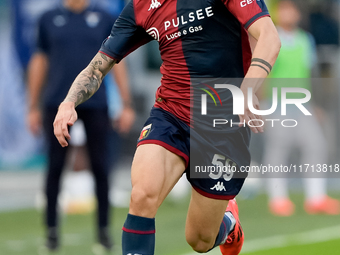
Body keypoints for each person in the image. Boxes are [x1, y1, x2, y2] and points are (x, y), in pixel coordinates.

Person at [53, 0, 281, 254]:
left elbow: (270, 38)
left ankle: (228, 222)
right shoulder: (141, 7)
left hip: (222, 124)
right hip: (170, 115)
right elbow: (99, 66)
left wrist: (247, 90)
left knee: (200, 240)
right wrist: (68, 102)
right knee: (142, 196)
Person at [27, 0, 135, 251]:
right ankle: (52, 232)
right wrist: (32, 105)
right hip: (56, 102)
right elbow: (39, 61)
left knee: (101, 167)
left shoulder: (104, 16)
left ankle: (103, 231)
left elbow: (116, 60)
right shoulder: (48, 18)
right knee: (55, 167)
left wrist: (126, 103)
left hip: (96, 103)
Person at [262, 0, 340, 217]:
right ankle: (278, 200)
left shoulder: (306, 39)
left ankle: (316, 198)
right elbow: (263, 74)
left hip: (302, 104)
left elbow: (309, 73)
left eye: (292, 9)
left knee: (316, 146)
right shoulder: (270, 38)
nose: (288, 13)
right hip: (277, 104)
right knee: (278, 150)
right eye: (284, 9)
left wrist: (315, 104)